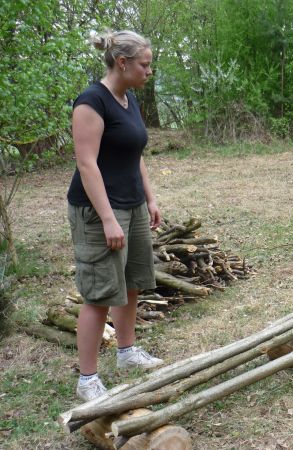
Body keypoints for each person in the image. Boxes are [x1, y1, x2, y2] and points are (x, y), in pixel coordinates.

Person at [67, 30, 163, 401]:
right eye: (144, 64)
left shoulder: (128, 99)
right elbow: (87, 164)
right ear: (121, 63)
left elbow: (134, 153)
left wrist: (150, 198)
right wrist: (107, 218)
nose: (149, 71)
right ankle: (87, 380)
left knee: (132, 281)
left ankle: (126, 353)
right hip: (97, 210)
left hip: (133, 204)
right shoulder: (92, 102)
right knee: (99, 293)